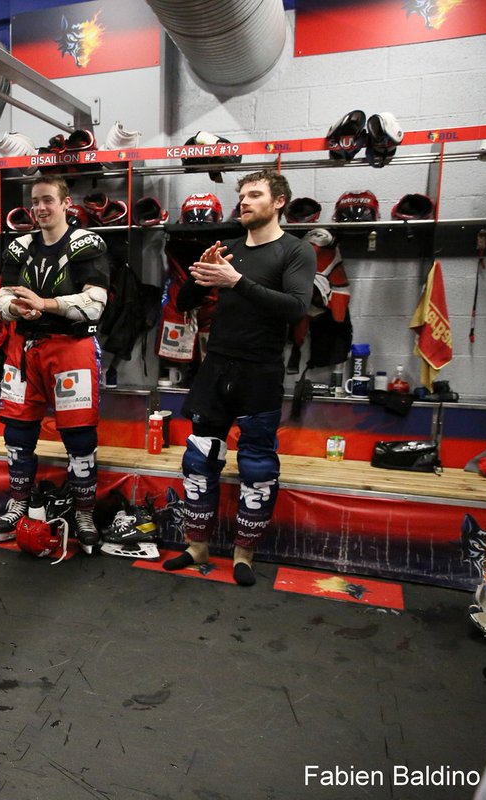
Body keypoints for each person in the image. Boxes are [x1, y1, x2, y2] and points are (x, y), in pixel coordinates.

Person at [162, 170, 316, 586]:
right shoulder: (228, 249)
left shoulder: (295, 251)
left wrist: (237, 282)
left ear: (279, 201)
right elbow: (185, 301)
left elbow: (296, 308)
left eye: (254, 195)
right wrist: (201, 276)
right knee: (198, 461)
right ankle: (197, 547)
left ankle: (244, 553)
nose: (244, 201)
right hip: (216, 370)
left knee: (258, 468)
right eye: (241, 195)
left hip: (259, 375)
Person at [0, 175, 109, 551]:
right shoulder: (19, 246)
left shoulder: (86, 244)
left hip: (71, 349)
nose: (41, 208)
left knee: (79, 436)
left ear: (65, 203)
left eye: (48, 200)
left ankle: (85, 511)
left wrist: (46, 304)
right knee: (17, 433)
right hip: (24, 349)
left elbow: (96, 303)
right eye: (35, 202)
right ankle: (18, 502)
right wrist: (16, 308)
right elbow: (0, 302)